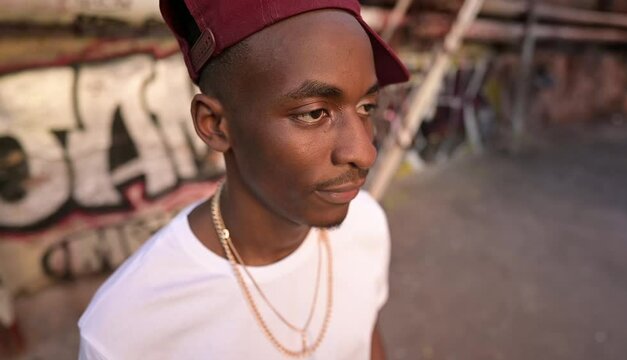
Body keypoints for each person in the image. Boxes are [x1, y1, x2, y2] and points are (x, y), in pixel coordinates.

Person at [78, 0, 409, 359]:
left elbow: (364, 339)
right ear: (215, 125)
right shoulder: (125, 330)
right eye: (314, 113)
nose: (364, 152)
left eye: (366, 108)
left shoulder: (367, 224)